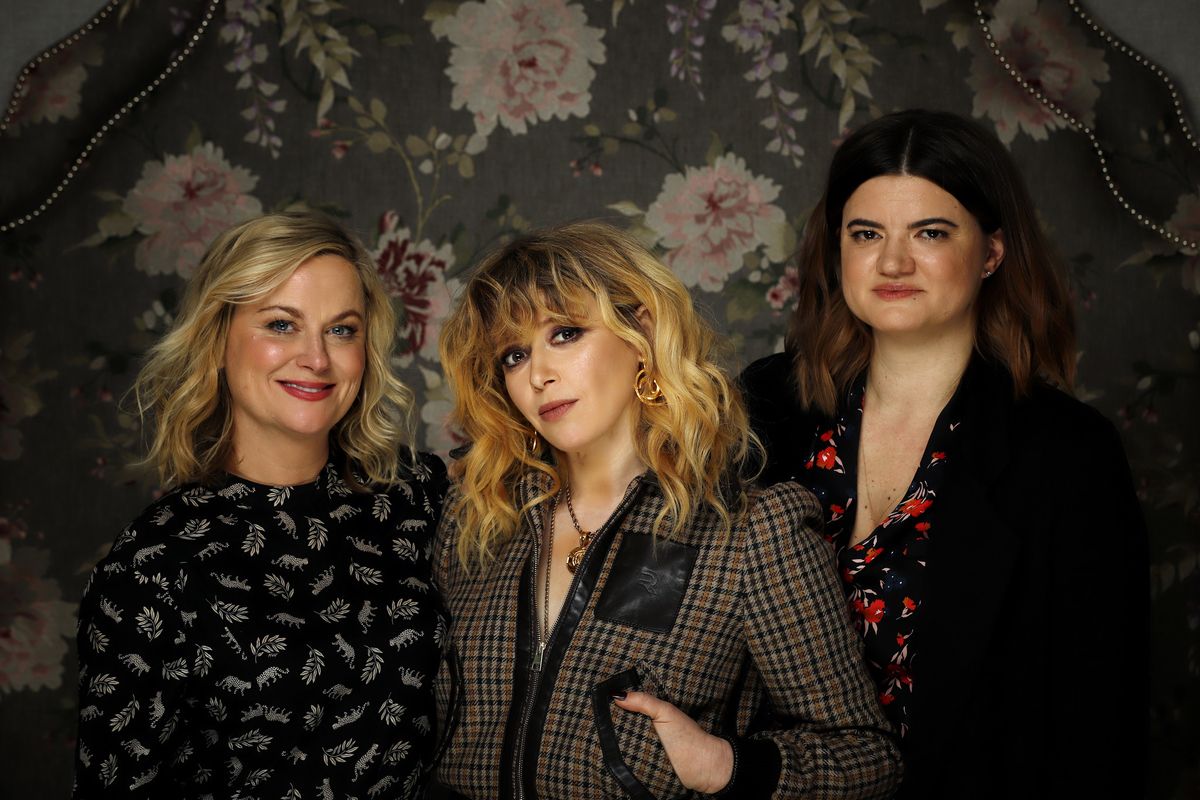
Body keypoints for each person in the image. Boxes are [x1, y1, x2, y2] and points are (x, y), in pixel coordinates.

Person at [741, 109, 1148, 798]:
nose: (892, 262)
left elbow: (1097, 720)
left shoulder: (1068, 454)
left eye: (930, 233)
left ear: (991, 252)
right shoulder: (768, 404)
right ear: (837, 249)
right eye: (866, 233)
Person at [432, 221, 902, 799]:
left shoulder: (749, 533)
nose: (538, 375)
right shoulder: (476, 522)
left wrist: (725, 765)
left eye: (565, 334)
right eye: (513, 354)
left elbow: (867, 756)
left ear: (642, 334)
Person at [72, 211, 449, 799]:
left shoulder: (413, 496)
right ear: (217, 340)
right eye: (281, 324)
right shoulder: (152, 568)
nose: (317, 358)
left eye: (341, 330)